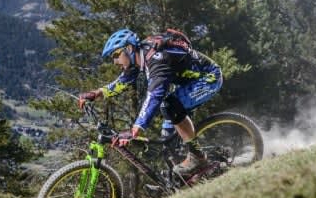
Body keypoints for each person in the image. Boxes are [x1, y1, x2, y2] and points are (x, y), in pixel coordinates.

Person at [78, 28, 222, 176]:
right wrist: (96, 94)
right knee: (167, 136)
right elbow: (122, 82)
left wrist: (136, 129)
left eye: (116, 55)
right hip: (188, 83)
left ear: (129, 48)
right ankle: (182, 176)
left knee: (169, 106)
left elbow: (155, 94)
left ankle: (197, 157)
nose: (114, 61)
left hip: (209, 78)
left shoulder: (156, 60)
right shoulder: (139, 58)